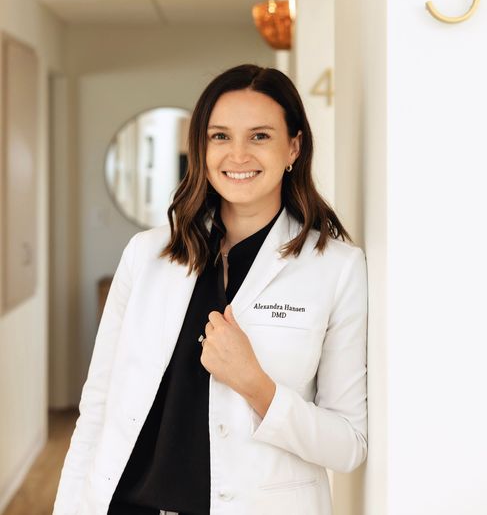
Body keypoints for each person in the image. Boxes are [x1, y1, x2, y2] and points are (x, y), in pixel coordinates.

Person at [53, 64, 368, 515]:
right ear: (201, 147)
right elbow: (98, 408)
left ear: (293, 147)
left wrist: (256, 385)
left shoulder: (335, 268)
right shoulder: (145, 255)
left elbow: (349, 445)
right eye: (220, 136)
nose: (237, 154)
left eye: (259, 136)